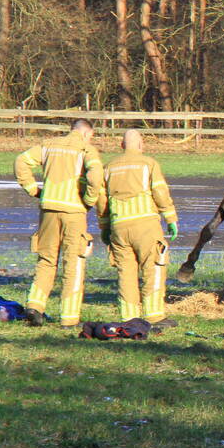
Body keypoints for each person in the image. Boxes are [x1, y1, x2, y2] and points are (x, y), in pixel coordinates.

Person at [15, 118, 104, 327]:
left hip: (48, 211)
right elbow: (96, 175)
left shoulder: (49, 145)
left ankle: (35, 306)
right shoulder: (86, 149)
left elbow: (21, 161)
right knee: (73, 263)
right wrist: (89, 201)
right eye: (91, 136)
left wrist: (33, 189)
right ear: (85, 133)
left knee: (46, 260)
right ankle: (69, 318)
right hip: (73, 212)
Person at [96, 129, 179, 326]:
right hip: (145, 224)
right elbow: (160, 191)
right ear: (142, 145)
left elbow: (102, 201)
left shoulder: (109, 167)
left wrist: (105, 227)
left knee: (126, 272)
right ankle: (154, 315)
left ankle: (128, 316)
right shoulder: (148, 164)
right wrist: (170, 218)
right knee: (154, 266)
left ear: (122, 145)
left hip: (119, 226)